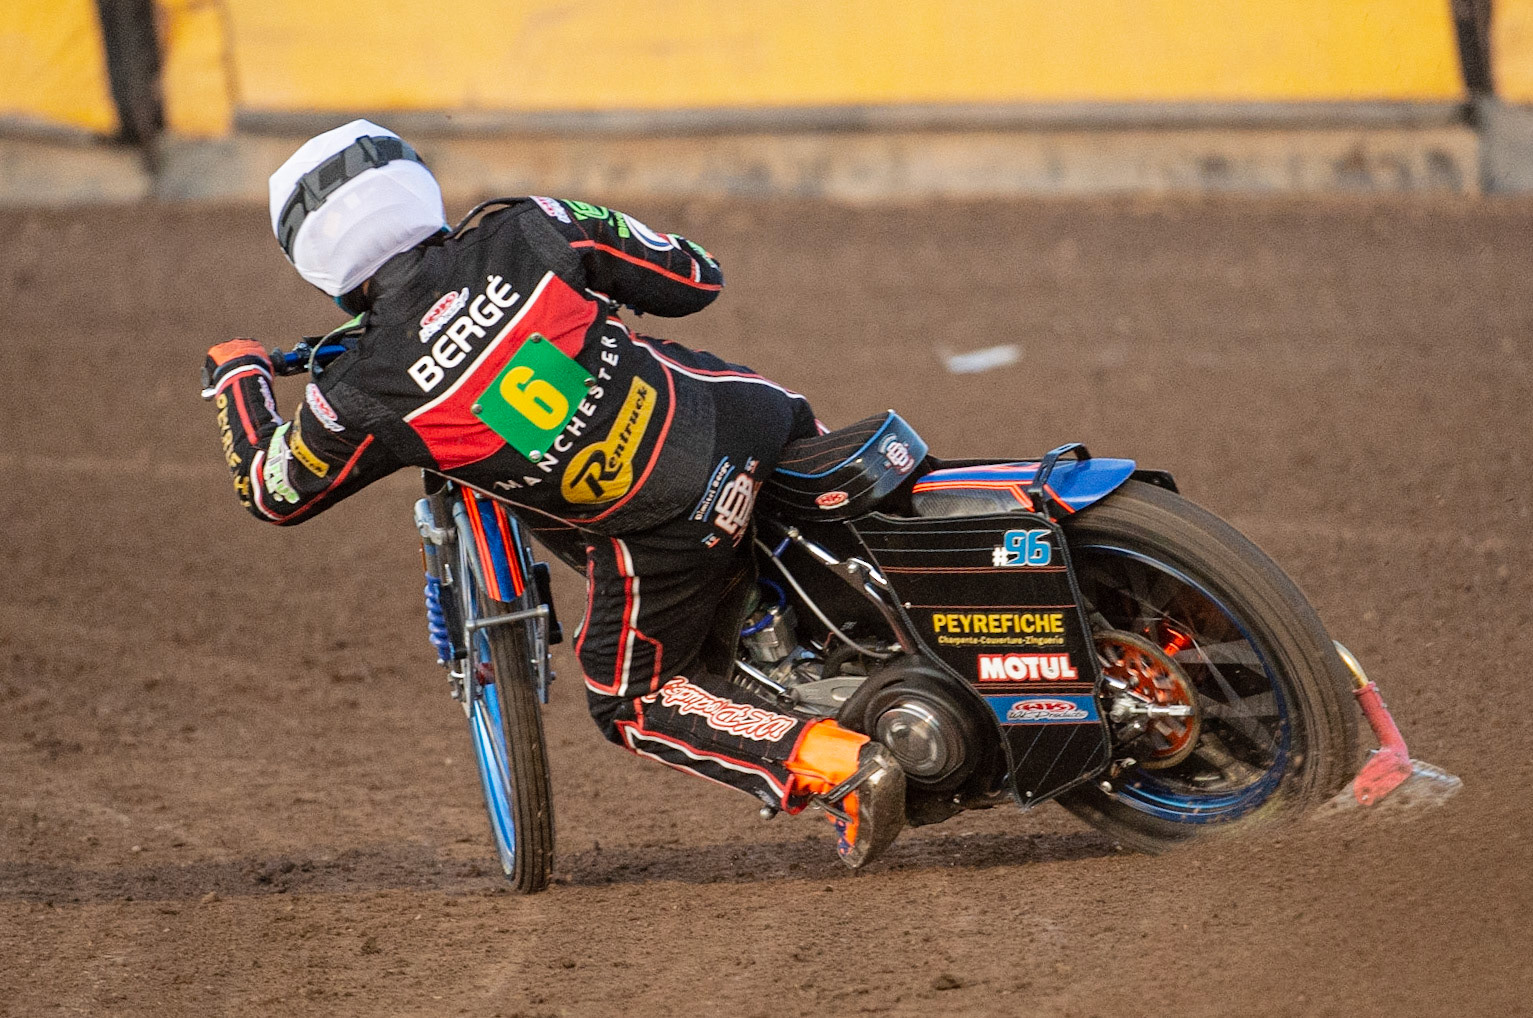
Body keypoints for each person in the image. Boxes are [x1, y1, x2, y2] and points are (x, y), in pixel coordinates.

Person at [202, 120, 905, 868]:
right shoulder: (536, 225)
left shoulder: (360, 389)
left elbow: (272, 490)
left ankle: (838, 764)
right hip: (755, 418)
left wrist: (237, 379)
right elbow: (695, 280)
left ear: (314, 259)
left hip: (667, 526)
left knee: (631, 697)